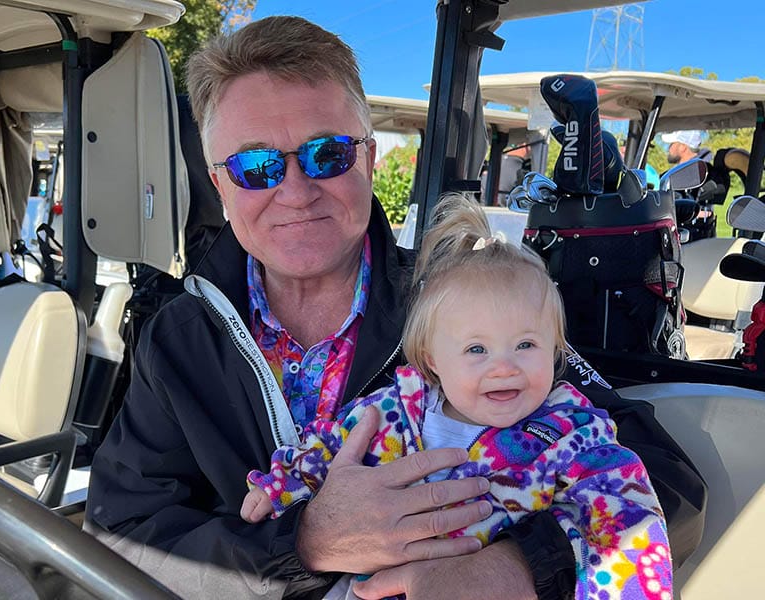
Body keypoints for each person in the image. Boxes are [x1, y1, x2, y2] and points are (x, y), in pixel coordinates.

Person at [84, 15, 705, 600]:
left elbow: (669, 485)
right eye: (255, 166)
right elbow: (122, 538)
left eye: (327, 153)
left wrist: (516, 568)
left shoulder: (466, 302)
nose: (296, 191)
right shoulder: (180, 337)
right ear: (219, 184)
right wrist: (303, 545)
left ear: (369, 159)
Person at [242, 194, 673, 600]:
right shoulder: (393, 412)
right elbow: (326, 449)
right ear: (434, 361)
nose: (504, 366)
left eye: (526, 345)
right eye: (476, 350)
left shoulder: (572, 432)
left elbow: (627, 517)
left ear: (556, 348)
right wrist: (281, 486)